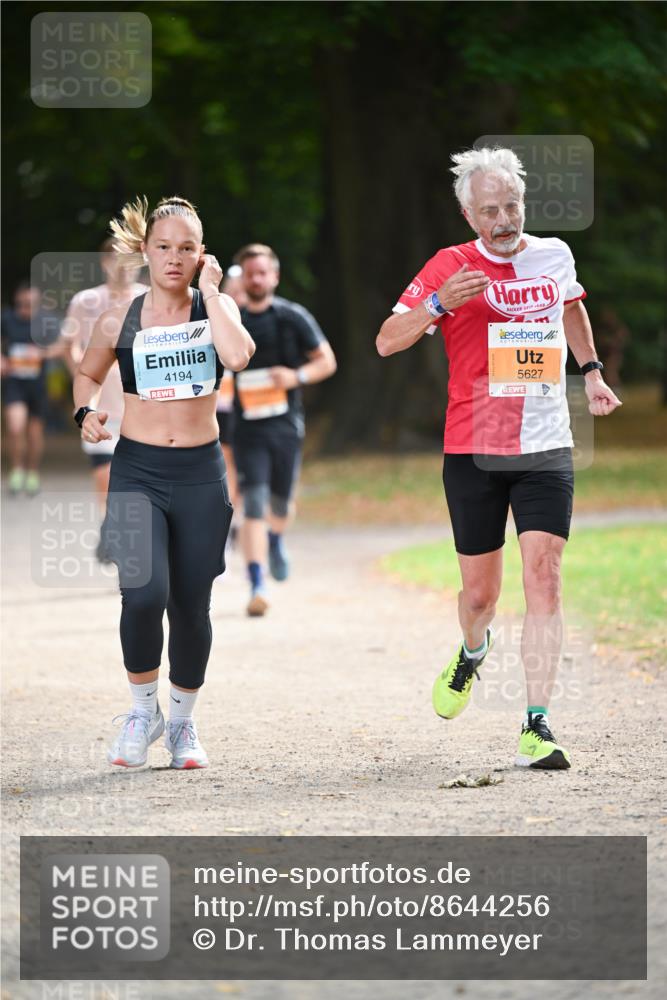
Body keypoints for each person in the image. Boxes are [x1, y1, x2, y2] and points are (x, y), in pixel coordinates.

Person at [376, 147, 621, 770]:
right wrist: (437, 305)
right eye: (491, 210)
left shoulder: (554, 255)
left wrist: (590, 370)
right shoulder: (449, 266)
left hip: (545, 444)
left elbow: (571, 307)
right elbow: (385, 340)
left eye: (512, 205)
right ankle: (472, 650)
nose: (505, 219)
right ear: (468, 214)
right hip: (474, 448)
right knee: (480, 596)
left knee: (545, 577)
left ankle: (537, 725)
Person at [72, 196, 255, 770]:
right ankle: (141, 711)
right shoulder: (119, 317)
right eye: (163, 247)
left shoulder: (215, 308)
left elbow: (238, 356)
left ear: (201, 254)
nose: (174, 258)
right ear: (145, 250)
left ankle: (180, 724)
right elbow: (86, 374)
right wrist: (86, 413)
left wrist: (219, 293)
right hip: (137, 471)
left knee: (191, 605)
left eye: (186, 248)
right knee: (143, 593)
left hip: (200, 473)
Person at [233, 243, 337, 617]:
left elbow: (327, 361)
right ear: (242, 279)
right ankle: (257, 582)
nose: (257, 279)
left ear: (274, 276)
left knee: (281, 504)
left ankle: (276, 539)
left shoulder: (293, 316)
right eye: (250, 273)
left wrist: (295, 376)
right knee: (254, 504)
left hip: (284, 426)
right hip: (245, 429)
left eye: (263, 272)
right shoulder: (232, 321)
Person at [60, 238, 147, 520]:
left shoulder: (149, 298)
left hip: (141, 407)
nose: (124, 268)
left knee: (138, 478)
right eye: (117, 260)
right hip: (101, 407)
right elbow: (68, 344)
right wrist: (84, 375)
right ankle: (111, 523)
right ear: (104, 263)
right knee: (104, 475)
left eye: (130, 261)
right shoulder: (85, 301)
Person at [1, 284, 57, 495]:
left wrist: (42, 353)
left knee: (34, 433)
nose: (25, 308)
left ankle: (32, 472)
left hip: (38, 385)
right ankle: (16, 470)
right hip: (14, 383)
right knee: (15, 427)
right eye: (22, 304)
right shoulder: (6, 318)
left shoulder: (46, 322)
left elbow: (63, 346)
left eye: (30, 304)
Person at [215, 265, 248, 519]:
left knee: (241, 461)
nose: (237, 297)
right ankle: (228, 516)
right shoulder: (217, 315)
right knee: (225, 459)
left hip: (250, 402)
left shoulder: (257, 317)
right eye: (232, 291)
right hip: (222, 402)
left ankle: (237, 516)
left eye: (241, 291)